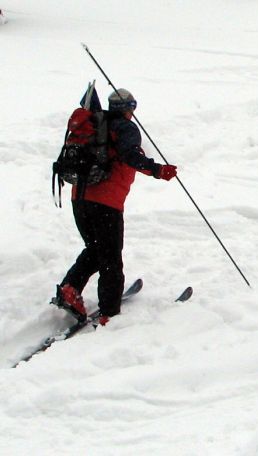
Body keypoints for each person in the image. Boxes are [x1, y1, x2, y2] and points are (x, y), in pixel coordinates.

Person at [54, 88, 177, 326]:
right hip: (105, 203)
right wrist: (158, 170)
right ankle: (109, 312)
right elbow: (130, 155)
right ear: (129, 108)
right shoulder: (124, 128)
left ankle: (70, 288)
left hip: (78, 197)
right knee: (110, 256)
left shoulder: (95, 124)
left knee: (95, 249)